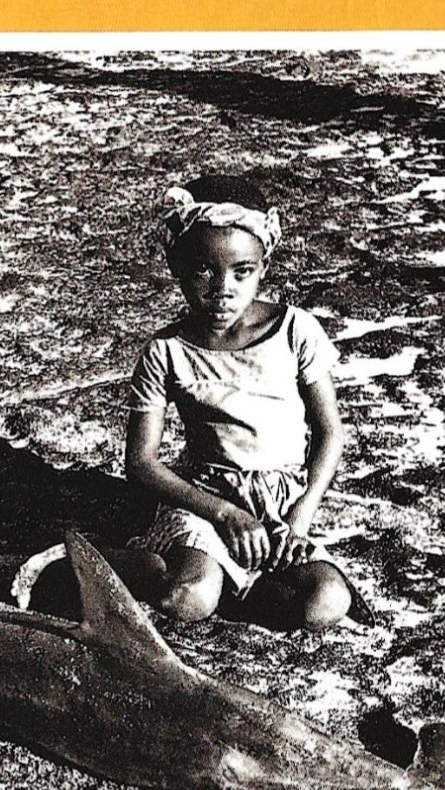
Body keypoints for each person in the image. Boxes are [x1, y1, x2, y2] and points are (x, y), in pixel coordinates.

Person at [121, 173, 361, 632]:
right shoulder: (166, 350)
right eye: (203, 271)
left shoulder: (295, 330)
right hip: (207, 501)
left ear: (263, 267)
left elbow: (329, 432)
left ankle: (242, 585)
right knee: (186, 598)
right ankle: (133, 564)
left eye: (241, 271)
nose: (222, 289)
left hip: (283, 503)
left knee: (327, 602)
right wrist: (224, 513)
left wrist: (301, 515)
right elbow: (141, 462)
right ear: (176, 267)